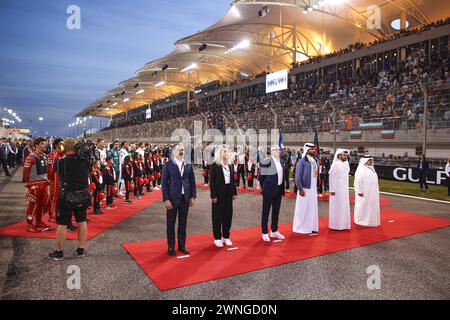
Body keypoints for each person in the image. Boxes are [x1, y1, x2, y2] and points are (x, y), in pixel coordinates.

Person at [49, 138, 90, 261]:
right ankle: (81, 249)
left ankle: (59, 252)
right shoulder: (85, 161)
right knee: (82, 221)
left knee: (62, 224)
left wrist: (62, 154)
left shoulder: (61, 162)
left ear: (63, 148)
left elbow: (55, 172)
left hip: (66, 196)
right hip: (83, 194)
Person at [162, 144, 196, 256]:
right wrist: (166, 199)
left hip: (185, 198)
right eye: (179, 150)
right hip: (172, 199)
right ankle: (171, 247)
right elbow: (164, 184)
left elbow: (192, 181)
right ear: (174, 151)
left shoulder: (188, 164)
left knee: (183, 224)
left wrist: (193, 196)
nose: (181, 151)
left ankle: (182, 246)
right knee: (170, 224)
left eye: (182, 150)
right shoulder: (168, 165)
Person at [209, 144, 237, 248]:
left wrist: (234, 192)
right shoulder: (215, 165)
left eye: (227, 151)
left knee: (228, 215)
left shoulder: (230, 165)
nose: (226, 153)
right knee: (217, 216)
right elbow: (212, 182)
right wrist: (213, 195)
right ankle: (217, 238)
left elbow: (233, 180)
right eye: (224, 151)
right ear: (220, 153)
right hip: (218, 193)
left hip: (228, 192)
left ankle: (226, 236)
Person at [258, 145, 285, 242]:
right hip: (268, 190)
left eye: (279, 150)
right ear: (272, 151)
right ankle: (264, 232)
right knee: (266, 211)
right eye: (276, 150)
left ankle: (274, 230)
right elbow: (261, 176)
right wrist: (264, 187)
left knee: (276, 211)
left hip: (278, 189)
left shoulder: (281, 162)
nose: (279, 151)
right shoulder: (267, 161)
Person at [23, 137, 50, 232]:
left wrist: (47, 179)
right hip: (35, 184)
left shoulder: (45, 156)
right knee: (33, 204)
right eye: (42, 143)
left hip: (44, 184)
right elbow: (25, 172)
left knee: (42, 204)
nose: (45, 145)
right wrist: (29, 183)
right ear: (36, 145)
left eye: (45, 143)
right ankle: (29, 224)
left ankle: (38, 221)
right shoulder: (31, 157)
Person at [292, 143, 319, 234]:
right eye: (311, 149)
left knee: (312, 208)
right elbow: (297, 176)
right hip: (305, 188)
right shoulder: (302, 161)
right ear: (307, 150)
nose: (314, 150)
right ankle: (301, 227)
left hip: (313, 188)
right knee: (303, 209)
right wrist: (300, 188)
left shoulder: (315, 160)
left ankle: (311, 227)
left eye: (314, 149)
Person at [354, 155, 381, 227]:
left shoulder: (371, 168)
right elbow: (357, 181)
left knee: (372, 206)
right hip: (364, 193)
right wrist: (359, 191)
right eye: (369, 160)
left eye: (371, 160)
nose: (371, 162)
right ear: (365, 161)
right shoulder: (361, 169)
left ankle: (372, 220)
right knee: (363, 206)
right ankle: (362, 220)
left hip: (372, 192)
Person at [328, 149, 351, 231]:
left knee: (344, 206)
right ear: (339, 156)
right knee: (337, 207)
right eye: (343, 155)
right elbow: (331, 177)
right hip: (336, 190)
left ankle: (344, 224)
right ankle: (336, 225)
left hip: (344, 189)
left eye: (346, 155)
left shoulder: (346, 164)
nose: (345, 157)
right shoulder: (335, 165)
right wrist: (332, 189)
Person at [47, 138, 64, 223]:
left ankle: (57, 213)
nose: (63, 145)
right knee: (54, 196)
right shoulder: (53, 154)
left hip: (60, 178)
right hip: (55, 178)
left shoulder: (61, 154)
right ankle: (52, 215)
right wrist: (50, 179)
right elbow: (50, 169)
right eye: (61, 143)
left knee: (59, 197)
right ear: (56, 145)